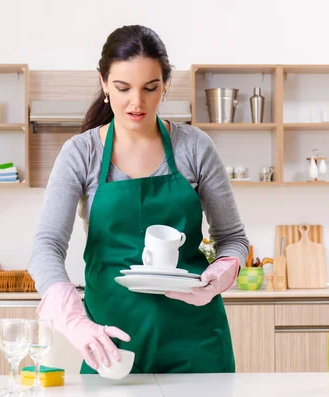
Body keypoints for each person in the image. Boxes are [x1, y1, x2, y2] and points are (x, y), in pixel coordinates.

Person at [29, 24, 249, 374]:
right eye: (122, 88)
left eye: (150, 88)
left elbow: (234, 239)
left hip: (197, 342)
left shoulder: (194, 147)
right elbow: (46, 246)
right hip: (113, 344)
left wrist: (221, 274)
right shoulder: (81, 154)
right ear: (103, 82)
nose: (137, 102)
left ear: (165, 85)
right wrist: (74, 320)